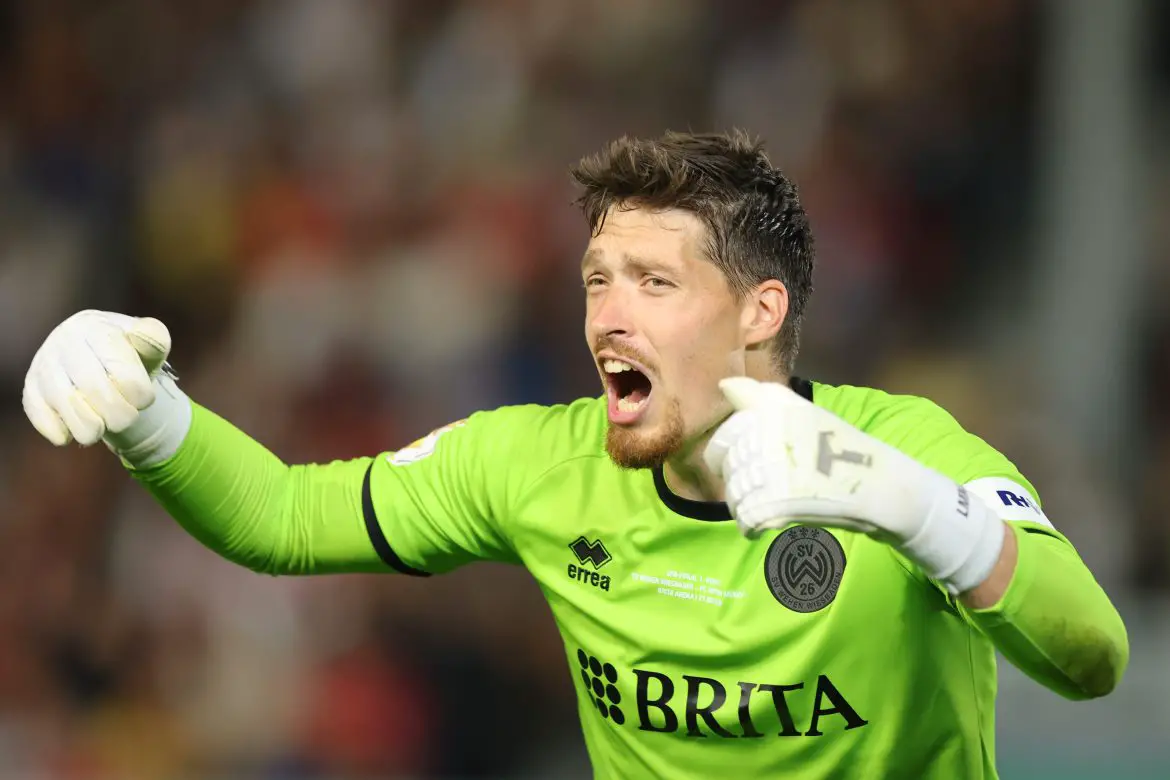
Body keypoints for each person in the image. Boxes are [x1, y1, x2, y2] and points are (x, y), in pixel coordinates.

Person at [22, 130, 1127, 779]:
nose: (608, 316)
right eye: (598, 277)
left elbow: (1091, 654)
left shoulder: (908, 450)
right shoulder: (538, 465)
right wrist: (145, 412)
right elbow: (278, 518)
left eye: (655, 282)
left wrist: (914, 509)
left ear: (760, 310)